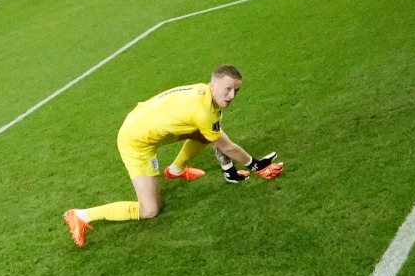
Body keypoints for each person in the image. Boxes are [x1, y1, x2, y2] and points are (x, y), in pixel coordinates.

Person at [62, 65, 284, 247]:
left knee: (203, 134)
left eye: (236, 91)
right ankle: (81, 215)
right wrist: (256, 165)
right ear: (213, 84)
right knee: (149, 209)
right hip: (136, 142)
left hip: (142, 120)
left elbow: (217, 138)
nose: (232, 95)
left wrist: (233, 169)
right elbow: (227, 146)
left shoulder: (203, 93)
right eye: (227, 89)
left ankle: (175, 171)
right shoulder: (204, 112)